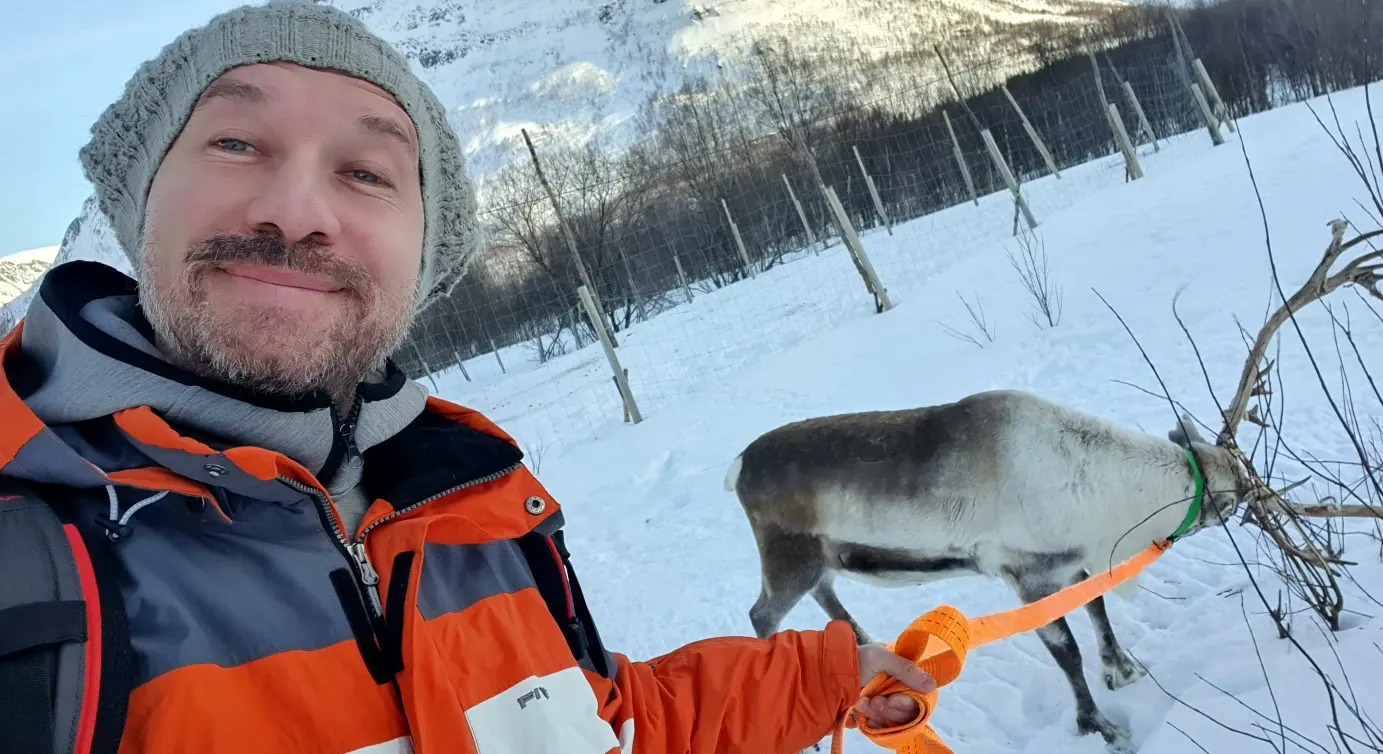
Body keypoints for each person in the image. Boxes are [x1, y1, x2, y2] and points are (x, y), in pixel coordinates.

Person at [0, 2, 936, 752]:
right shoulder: (23, 554)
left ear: (424, 254)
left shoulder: (476, 505)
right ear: (140, 203)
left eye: (367, 172)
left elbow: (600, 728)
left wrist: (825, 678)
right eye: (236, 143)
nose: (296, 210)